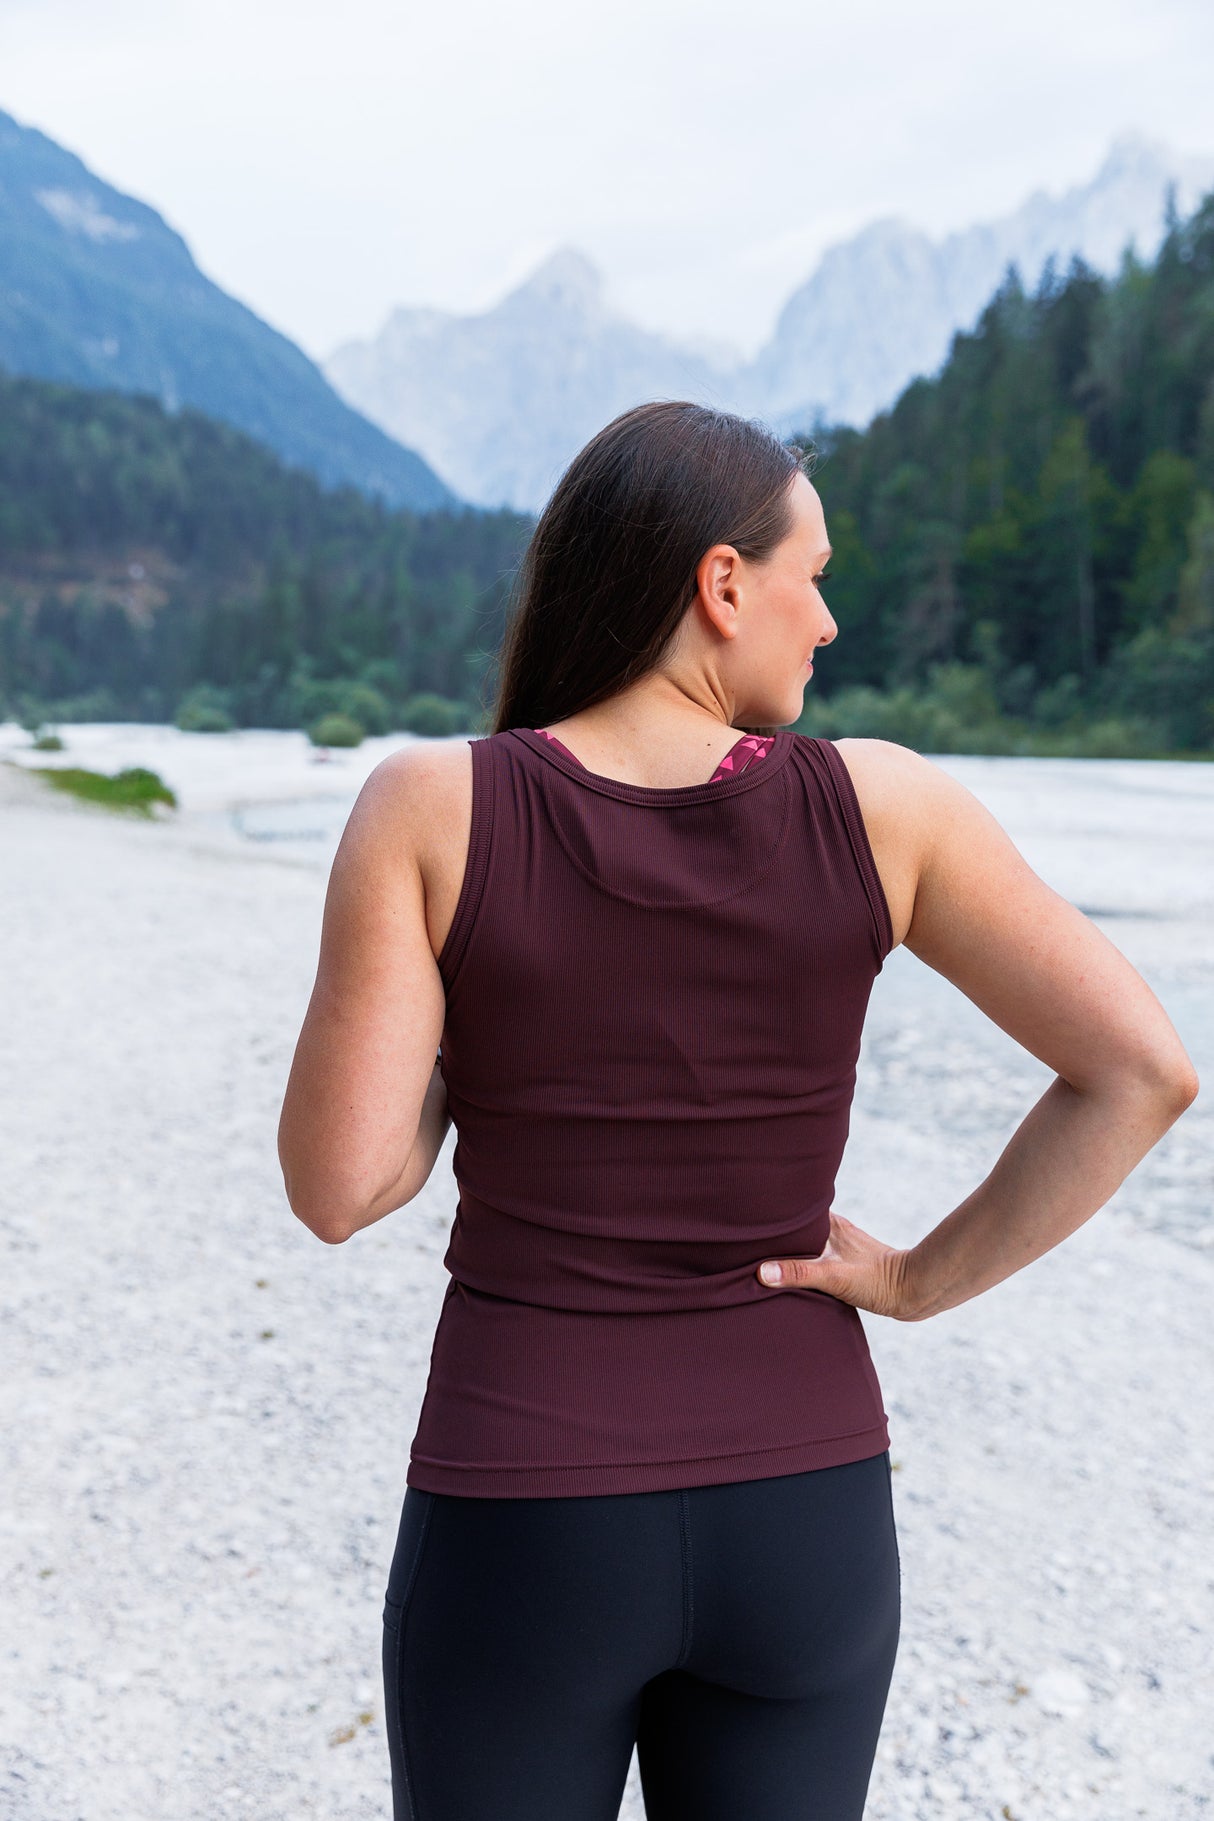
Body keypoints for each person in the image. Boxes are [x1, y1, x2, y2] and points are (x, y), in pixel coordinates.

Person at [277, 400, 1199, 1821]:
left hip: (527, 1501)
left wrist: (494, 1025)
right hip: (806, 1509)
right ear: (720, 584)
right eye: (809, 575)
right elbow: (1143, 1069)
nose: (825, 620)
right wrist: (906, 1279)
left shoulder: (433, 805)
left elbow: (340, 1183)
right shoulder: (885, 808)